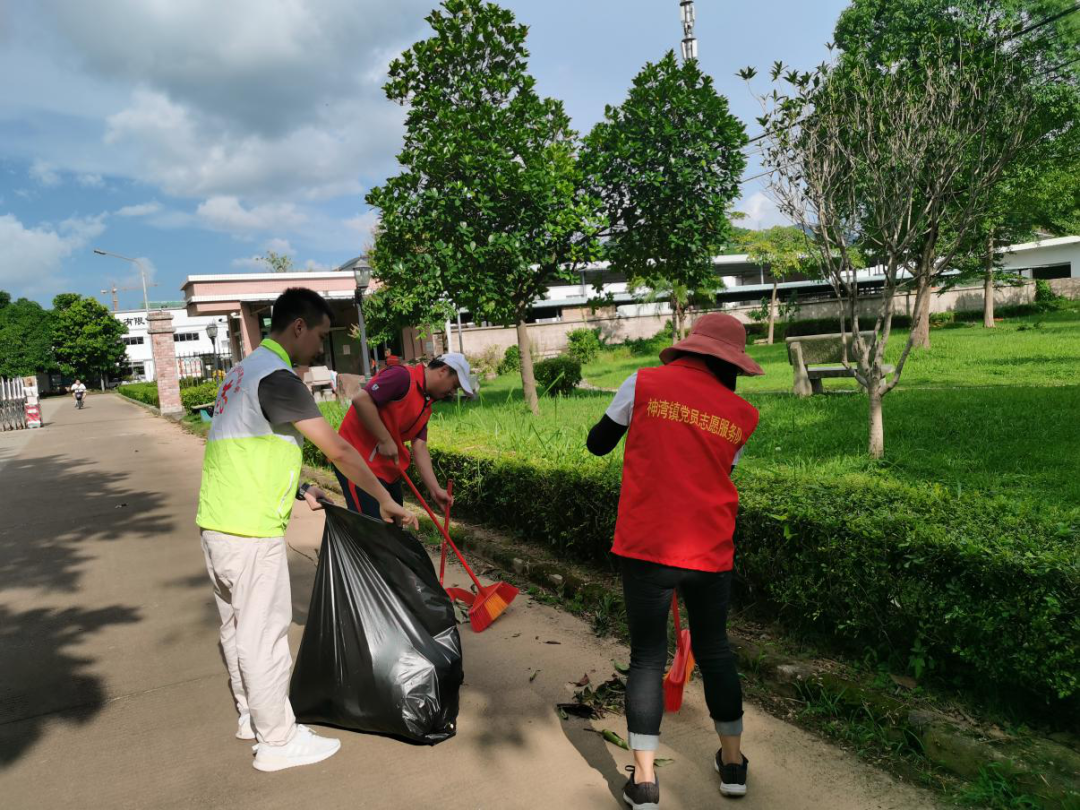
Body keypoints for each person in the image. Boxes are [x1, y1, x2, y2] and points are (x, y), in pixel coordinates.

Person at [196, 287, 419, 773]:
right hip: (250, 529)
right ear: (298, 327)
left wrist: (301, 488)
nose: (320, 345)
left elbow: (248, 445)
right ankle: (276, 741)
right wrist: (384, 501)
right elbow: (338, 449)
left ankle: (251, 719)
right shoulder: (279, 378)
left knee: (237, 629)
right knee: (265, 635)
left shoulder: (241, 373)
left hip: (218, 521)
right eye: (319, 334)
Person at [586, 313, 764, 807]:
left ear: (690, 348)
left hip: (647, 546)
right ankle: (732, 765)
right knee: (716, 651)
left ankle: (644, 781)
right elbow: (719, 469)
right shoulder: (741, 414)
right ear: (729, 362)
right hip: (709, 547)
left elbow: (597, 444)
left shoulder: (642, 383)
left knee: (646, 658)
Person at [335, 352, 474, 517]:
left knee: (395, 529)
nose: (452, 392)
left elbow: (420, 446)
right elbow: (361, 400)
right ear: (443, 371)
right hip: (358, 462)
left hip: (387, 470)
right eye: (454, 385)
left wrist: (435, 490)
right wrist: (385, 439)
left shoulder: (425, 404)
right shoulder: (402, 377)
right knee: (370, 530)